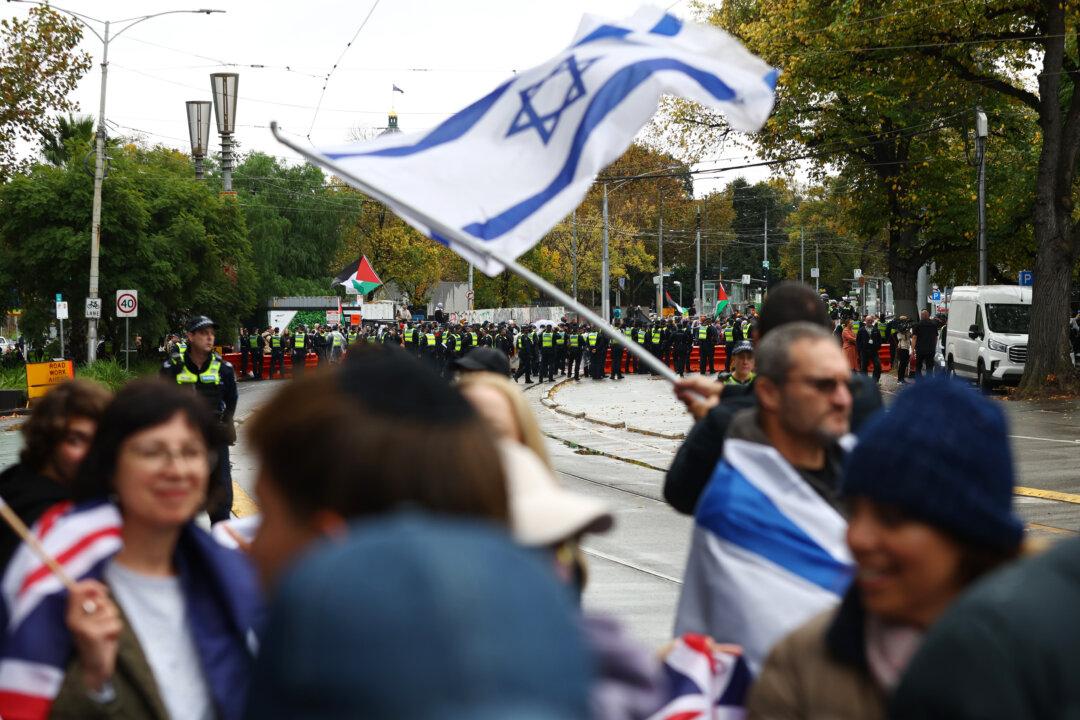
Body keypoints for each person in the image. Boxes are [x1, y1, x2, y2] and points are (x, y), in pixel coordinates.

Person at [749, 378, 1024, 720]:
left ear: (970, 535)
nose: (856, 538)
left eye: (892, 517)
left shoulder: (1051, 662)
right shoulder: (801, 665)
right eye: (852, 510)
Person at [42, 380, 261, 719]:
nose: (176, 470)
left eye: (191, 452)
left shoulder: (235, 575)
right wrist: (94, 682)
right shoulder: (59, 580)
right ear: (111, 466)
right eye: (152, 452)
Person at [673, 321, 855, 670]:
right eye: (823, 385)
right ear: (769, 394)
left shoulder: (861, 471)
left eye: (847, 383)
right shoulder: (736, 506)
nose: (843, 398)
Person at [664, 283, 883, 516]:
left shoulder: (726, 423)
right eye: (824, 384)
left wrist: (712, 415)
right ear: (827, 331)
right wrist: (728, 393)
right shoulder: (862, 398)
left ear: (757, 339)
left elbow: (680, 494)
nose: (840, 399)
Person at [0, 379, 111, 572]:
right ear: (47, 440)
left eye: (99, 441)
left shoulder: (14, 482)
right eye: (75, 440)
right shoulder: (42, 515)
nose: (90, 453)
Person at [160, 315, 238, 523]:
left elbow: (231, 399)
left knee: (221, 489)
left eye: (212, 334)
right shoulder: (173, 366)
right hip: (182, 435)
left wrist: (225, 423)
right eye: (204, 333)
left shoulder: (224, 368)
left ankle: (220, 534)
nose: (209, 338)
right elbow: (162, 397)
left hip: (214, 433)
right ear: (190, 336)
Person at [912, 310, 938, 377]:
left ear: (922, 316)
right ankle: (928, 382)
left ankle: (919, 381)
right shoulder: (933, 325)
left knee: (918, 366)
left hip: (920, 349)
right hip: (930, 349)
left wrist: (912, 350)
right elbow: (936, 338)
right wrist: (934, 347)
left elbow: (914, 338)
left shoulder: (917, 325)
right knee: (929, 367)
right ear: (928, 315)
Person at [894, 316, 912, 384]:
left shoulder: (907, 330)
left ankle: (902, 379)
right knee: (902, 364)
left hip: (907, 348)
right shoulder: (899, 330)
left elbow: (910, 336)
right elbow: (902, 337)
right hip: (902, 348)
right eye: (904, 320)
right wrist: (905, 331)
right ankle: (899, 379)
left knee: (904, 364)